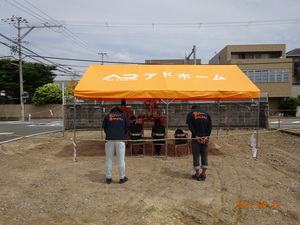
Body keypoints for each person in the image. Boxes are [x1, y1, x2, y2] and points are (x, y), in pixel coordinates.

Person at [102, 107, 129, 184]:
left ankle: (108, 177)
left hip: (109, 140)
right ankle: (122, 177)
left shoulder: (108, 116)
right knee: (121, 160)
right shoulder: (123, 116)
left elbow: (105, 128)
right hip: (120, 139)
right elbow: (127, 128)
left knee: (109, 159)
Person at [186, 105, 212, 181]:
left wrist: (196, 136)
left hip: (196, 138)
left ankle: (197, 174)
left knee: (196, 155)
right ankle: (203, 173)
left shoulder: (191, 114)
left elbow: (190, 126)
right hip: (205, 138)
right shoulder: (206, 114)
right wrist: (206, 136)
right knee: (204, 154)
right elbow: (210, 126)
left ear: (192, 108)